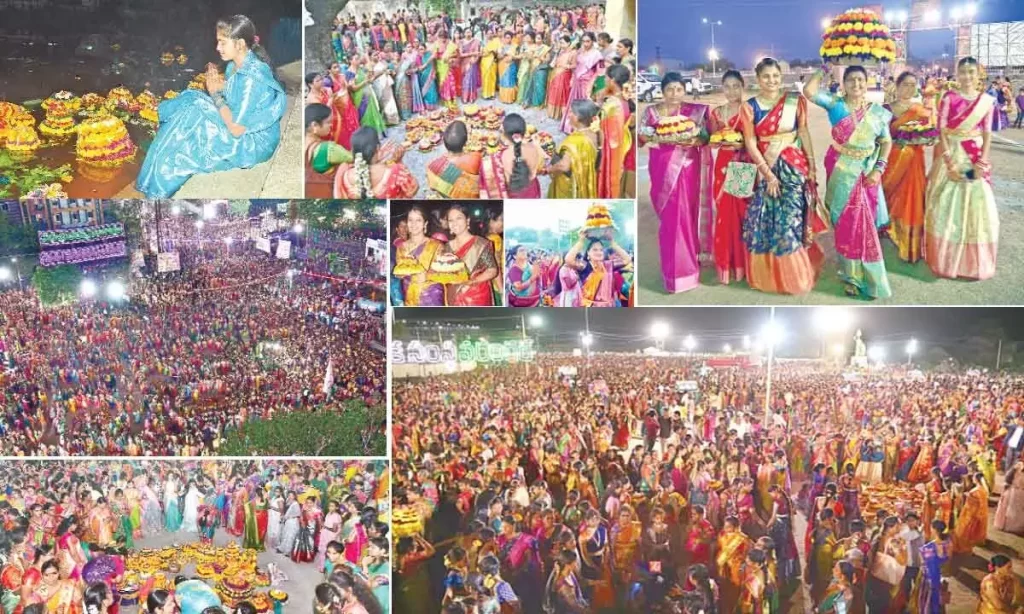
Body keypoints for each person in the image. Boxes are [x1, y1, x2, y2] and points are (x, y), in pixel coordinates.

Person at [136, 15, 286, 198]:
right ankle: (160, 125)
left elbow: (236, 129)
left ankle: (159, 181)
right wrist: (218, 85)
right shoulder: (235, 64)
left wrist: (215, 93)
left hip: (253, 141)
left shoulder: (251, 77)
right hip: (239, 123)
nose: (217, 48)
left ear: (239, 44)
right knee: (192, 97)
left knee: (189, 128)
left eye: (222, 42)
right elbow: (235, 93)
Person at [805, 63, 893, 299]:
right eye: (851, 79)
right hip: (841, 170)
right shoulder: (836, 105)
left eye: (860, 80)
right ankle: (850, 275)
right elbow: (809, 91)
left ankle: (867, 273)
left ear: (867, 83)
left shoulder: (876, 112)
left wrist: (879, 169)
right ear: (843, 84)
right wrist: (824, 68)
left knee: (864, 223)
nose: (856, 84)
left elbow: (886, 141)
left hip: (867, 172)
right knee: (845, 222)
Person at [924, 57, 999, 281]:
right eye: (963, 72)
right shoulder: (949, 98)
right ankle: (945, 259)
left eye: (971, 72)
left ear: (978, 74)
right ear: (957, 74)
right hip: (952, 154)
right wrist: (949, 163)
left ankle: (972, 262)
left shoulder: (987, 102)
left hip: (974, 154)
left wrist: (982, 162)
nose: (967, 76)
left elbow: (987, 134)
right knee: (944, 204)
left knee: (977, 205)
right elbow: (942, 131)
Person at [640, 72, 712, 294]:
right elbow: (641, 138)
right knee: (672, 220)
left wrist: (696, 139)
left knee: (688, 215)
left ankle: (695, 267)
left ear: (685, 90)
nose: (674, 93)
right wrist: (651, 136)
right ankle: (676, 273)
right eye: (670, 89)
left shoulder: (697, 112)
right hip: (662, 168)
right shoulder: (651, 112)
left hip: (689, 167)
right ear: (662, 91)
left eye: (679, 89)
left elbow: (707, 137)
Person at [882, 71, 934, 263]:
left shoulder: (920, 110)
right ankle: (887, 229)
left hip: (914, 162)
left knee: (911, 199)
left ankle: (908, 243)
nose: (909, 88)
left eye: (913, 85)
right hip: (891, 160)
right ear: (897, 86)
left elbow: (929, 132)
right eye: (905, 84)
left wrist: (928, 138)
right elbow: (879, 137)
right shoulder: (885, 109)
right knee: (889, 195)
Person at [709, 69, 751, 285]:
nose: (732, 91)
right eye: (727, 86)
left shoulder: (749, 110)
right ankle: (727, 264)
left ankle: (744, 265)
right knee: (724, 213)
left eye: (736, 86)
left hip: (743, 164)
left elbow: (756, 139)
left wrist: (742, 144)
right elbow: (711, 138)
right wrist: (717, 141)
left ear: (743, 87)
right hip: (723, 164)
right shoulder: (717, 113)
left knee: (742, 213)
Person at [333, 127, 418, 199]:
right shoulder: (395, 171)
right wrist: (399, 162)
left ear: (353, 152)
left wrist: (379, 161)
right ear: (377, 148)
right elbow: (411, 190)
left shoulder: (345, 175)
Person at [445, 204, 499, 306]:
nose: (454, 223)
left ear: (467, 220)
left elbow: (492, 270)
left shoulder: (480, 244)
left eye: (459, 218)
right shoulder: (446, 246)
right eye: (450, 220)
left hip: (476, 296)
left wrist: (472, 282)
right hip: (452, 295)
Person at [480, 113, 543, 199]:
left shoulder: (499, 157)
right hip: (531, 192)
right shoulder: (534, 148)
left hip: (512, 196)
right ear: (524, 133)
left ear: (504, 135)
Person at [392, 206, 445, 306]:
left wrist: (427, 276)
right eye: (410, 220)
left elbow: (446, 274)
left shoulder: (436, 246)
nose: (413, 224)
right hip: (409, 296)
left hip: (431, 297)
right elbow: (401, 270)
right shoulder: (401, 248)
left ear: (425, 224)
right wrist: (400, 274)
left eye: (418, 220)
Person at [547, 100, 600, 199]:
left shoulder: (574, 141)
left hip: (571, 184)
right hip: (585, 177)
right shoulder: (594, 133)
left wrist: (548, 169)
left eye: (571, 112)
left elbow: (564, 166)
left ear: (577, 117)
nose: (568, 114)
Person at [561, 233, 631, 307]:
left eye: (601, 250)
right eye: (595, 250)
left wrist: (612, 243)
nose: (599, 252)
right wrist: (581, 241)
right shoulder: (585, 266)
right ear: (588, 253)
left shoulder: (608, 265)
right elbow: (568, 260)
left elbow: (627, 259)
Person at [598, 64, 633, 199]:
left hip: (613, 148)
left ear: (612, 80)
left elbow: (603, 130)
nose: (604, 80)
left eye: (606, 77)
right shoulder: (623, 97)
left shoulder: (613, 104)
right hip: (621, 144)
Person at [426, 121, 482, 199]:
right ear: (465, 142)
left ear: (445, 143)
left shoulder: (432, 166)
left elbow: (433, 187)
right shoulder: (475, 158)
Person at [561, 33, 603, 134]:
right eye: (583, 41)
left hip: (587, 83)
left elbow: (600, 71)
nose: (585, 44)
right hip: (577, 81)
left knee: (585, 106)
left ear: (592, 41)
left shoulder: (597, 54)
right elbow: (576, 66)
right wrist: (572, 78)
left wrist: (592, 84)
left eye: (588, 41)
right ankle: (570, 127)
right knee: (574, 103)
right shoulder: (580, 51)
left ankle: (584, 130)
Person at [546, 36, 576, 121]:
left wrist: (567, 66)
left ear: (568, 43)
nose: (561, 45)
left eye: (563, 43)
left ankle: (561, 114)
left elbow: (575, 65)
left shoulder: (573, 53)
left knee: (562, 93)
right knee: (554, 92)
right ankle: (552, 113)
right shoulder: (560, 52)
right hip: (555, 74)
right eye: (560, 43)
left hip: (564, 75)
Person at [995, 458, 1024, 535]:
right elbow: (1008, 478)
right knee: (1012, 512)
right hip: (1013, 493)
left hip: (1018, 494)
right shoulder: (1018, 466)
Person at [396, 44, 424, 120]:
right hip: (404, 79)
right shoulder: (403, 56)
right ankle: (408, 110)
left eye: (411, 47)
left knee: (413, 93)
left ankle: (416, 107)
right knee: (406, 95)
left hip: (413, 76)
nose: (410, 48)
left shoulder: (415, 54)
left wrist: (412, 71)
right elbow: (400, 69)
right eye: (408, 47)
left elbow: (417, 67)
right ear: (405, 48)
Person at [458, 28, 481, 104]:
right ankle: (465, 97)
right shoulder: (461, 42)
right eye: (467, 32)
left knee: (471, 79)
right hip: (464, 63)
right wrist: (472, 54)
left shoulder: (476, 41)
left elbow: (477, 53)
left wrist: (475, 60)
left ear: (472, 33)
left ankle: (472, 97)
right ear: (464, 33)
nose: (468, 34)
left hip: (472, 62)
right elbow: (461, 54)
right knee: (465, 81)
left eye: (470, 32)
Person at [498, 32, 520, 104]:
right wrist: (504, 53)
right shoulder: (501, 46)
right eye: (506, 38)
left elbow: (518, 56)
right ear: (504, 38)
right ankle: (503, 98)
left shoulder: (515, 46)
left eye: (509, 38)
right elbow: (498, 56)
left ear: (512, 38)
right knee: (504, 81)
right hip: (502, 65)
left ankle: (510, 98)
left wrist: (512, 57)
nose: (508, 39)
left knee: (510, 81)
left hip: (511, 65)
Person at [480, 28, 502, 100]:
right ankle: (485, 94)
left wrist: (494, 52)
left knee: (493, 78)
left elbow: (499, 52)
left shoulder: (497, 42)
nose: (490, 35)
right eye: (488, 33)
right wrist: (487, 53)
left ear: (493, 34)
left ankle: (492, 94)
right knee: (485, 78)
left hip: (493, 62)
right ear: (486, 34)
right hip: (485, 62)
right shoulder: (483, 42)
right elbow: (480, 53)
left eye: (491, 33)